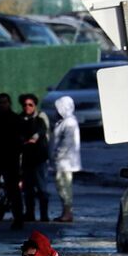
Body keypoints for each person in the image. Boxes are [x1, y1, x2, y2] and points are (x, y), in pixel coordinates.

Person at [0, 93, 23, 227]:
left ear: (9, 103)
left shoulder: (15, 119)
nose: (2, 105)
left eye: (4, 102)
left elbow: (19, 141)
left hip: (10, 159)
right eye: (0, 103)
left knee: (13, 191)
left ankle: (18, 219)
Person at [18, 93, 51, 226]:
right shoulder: (20, 119)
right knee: (28, 188)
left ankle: (44, 215)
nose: (27, 107)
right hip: (26, 158)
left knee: (42, 188)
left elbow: (42, 131)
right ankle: (29, 213)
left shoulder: (40, 117)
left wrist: (34, 138)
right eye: (25, 105)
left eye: (30, 105)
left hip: (39, 158)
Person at [50, 95, 81, 223]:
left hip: (65, 162)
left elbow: (66, 143)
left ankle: (67, 212)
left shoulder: (69, 122)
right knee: (61, 187)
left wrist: (57, 155)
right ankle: (65, 211)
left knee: (64, 187)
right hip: (62, 162)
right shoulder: (63, 121)